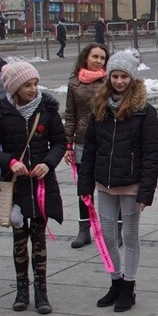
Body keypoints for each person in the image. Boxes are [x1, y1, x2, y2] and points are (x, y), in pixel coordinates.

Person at [0, 62, 67, 315]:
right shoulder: (0, 113)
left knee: (39, 238)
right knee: (19, 239)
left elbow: (60, 143)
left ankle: (41, 290)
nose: (33, 89)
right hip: (15, 186)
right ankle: (21, 289)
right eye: (27, 85)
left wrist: (48, 163)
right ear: (14, 88)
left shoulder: (47, 109)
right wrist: (9, 162)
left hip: (41, 184)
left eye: (35, 84)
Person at [78, 52, 158, 312]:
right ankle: (115, 281)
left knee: (130, 235)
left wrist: (146, 191)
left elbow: (152, 153)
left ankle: (129, 285)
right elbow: (90, 149)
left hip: (131, 183)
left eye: (124, 76)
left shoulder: (144, 111)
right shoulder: (100, 107)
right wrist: (84, 185)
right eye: (114, 76)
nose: (119, 81)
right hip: (105, 182)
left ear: (132, 78)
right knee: (107, 235)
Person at [64, 43, 109, 248]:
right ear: (86, 58)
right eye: (95, 57)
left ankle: (114, 230)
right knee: (85, 187)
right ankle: (84, 229)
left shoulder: (109, 81)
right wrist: (68, 144)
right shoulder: (74, 83)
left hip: (106, 141)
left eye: (102, 58)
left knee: (110, 187)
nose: (98, 61)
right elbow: (70, 116)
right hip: (82, 142)